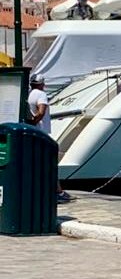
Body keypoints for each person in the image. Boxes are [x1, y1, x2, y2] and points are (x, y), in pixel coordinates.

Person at [28, 73, 72, 203]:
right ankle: (58, 192)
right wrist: (35, 121)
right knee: (50, 162)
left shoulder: (29, 94)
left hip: (33, 132)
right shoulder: (41, 95)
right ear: (42, 84)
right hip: (41, 133)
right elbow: (41, 111)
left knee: (39, 163)